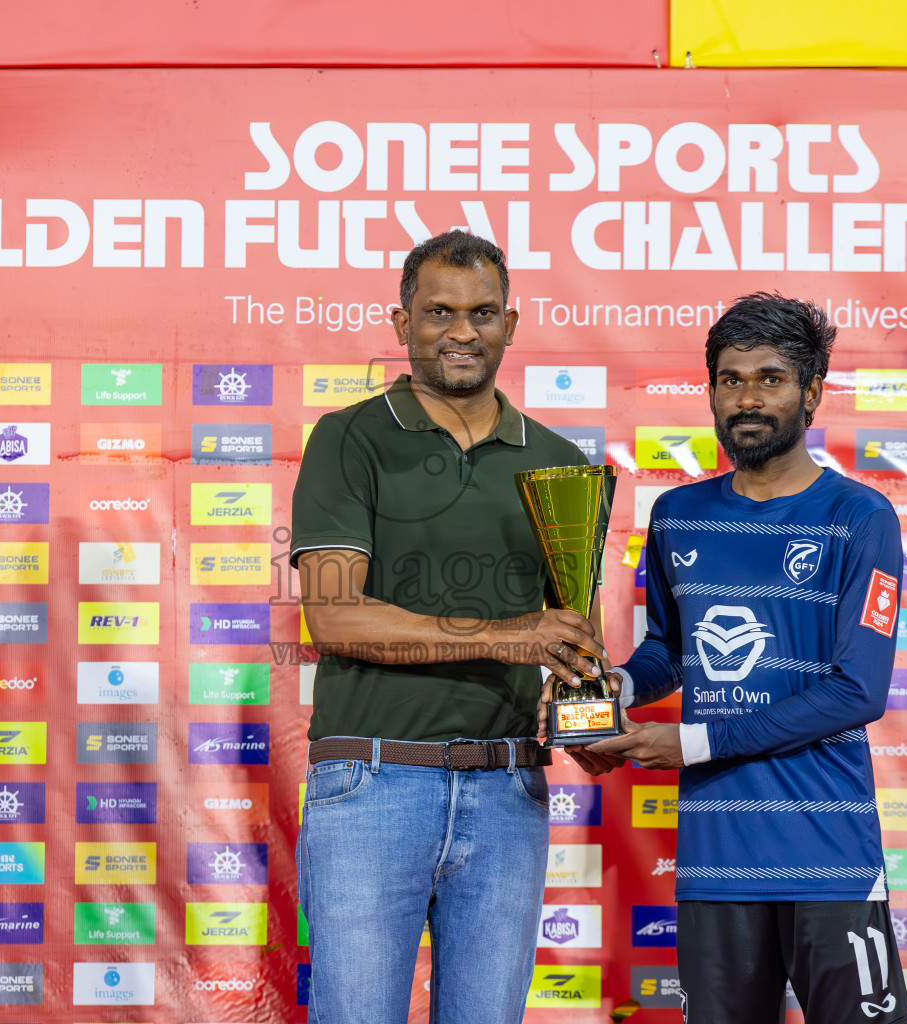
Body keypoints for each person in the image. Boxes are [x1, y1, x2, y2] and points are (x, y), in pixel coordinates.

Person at [289, 230, 607, 1022]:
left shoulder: (561, 461)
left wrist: (588, 714)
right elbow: (334, 616)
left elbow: (575, 635)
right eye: (439, 312)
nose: (462, 331)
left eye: (483, 313)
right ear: (402, 324)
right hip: (370, 785)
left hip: (508, 791)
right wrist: (511, 637)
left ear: (512, 323)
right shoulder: (348, 437)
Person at [587, 293, 907, 1024]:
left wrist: (693, 742)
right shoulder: (679, 515)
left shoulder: (859, 517)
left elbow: (858, 691)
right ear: (709, 394)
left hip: (826, 855)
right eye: (730, 380)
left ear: (813, 394)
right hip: (715, 860)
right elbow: (669, 652)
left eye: (771, 378)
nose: (748, 398)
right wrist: (610, 687)